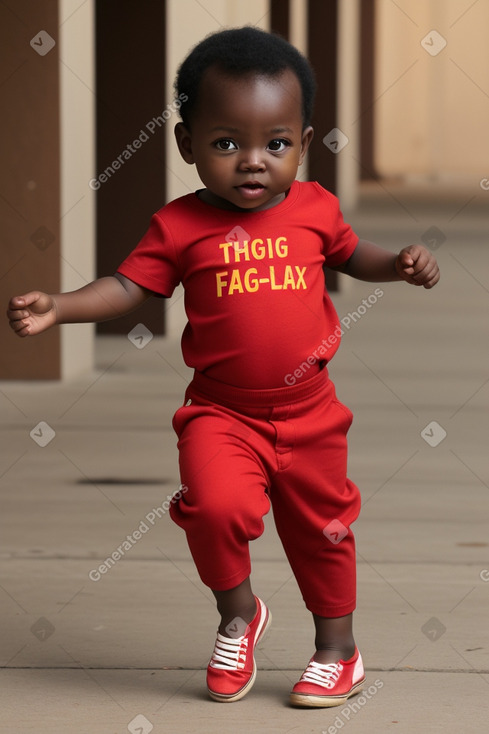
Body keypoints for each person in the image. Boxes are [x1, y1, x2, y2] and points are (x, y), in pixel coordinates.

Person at [7, 26, 439, 708]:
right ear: (186, 144)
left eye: (275, 143)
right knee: (211, 509)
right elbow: (129, 287)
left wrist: (400, 265)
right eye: (224, 142)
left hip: (309, 413)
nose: (252, 162)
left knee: (321, 530)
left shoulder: (314, 208)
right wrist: (60, 306)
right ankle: (237, 615)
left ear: (302, 141)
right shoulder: (178, 226)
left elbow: (352, 255)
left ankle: (337, 650)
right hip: (220, 411)